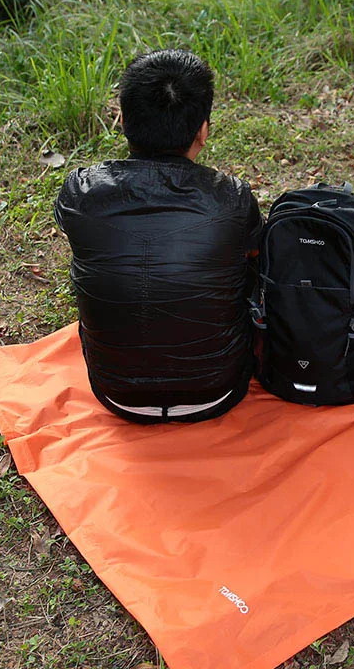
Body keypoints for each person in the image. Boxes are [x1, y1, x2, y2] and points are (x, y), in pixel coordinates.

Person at [54, 49, 263, 423]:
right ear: (203, 128)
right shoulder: (231, 197)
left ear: (122, 120)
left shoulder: (80, 194)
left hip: (116, 392)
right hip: (218, 388)